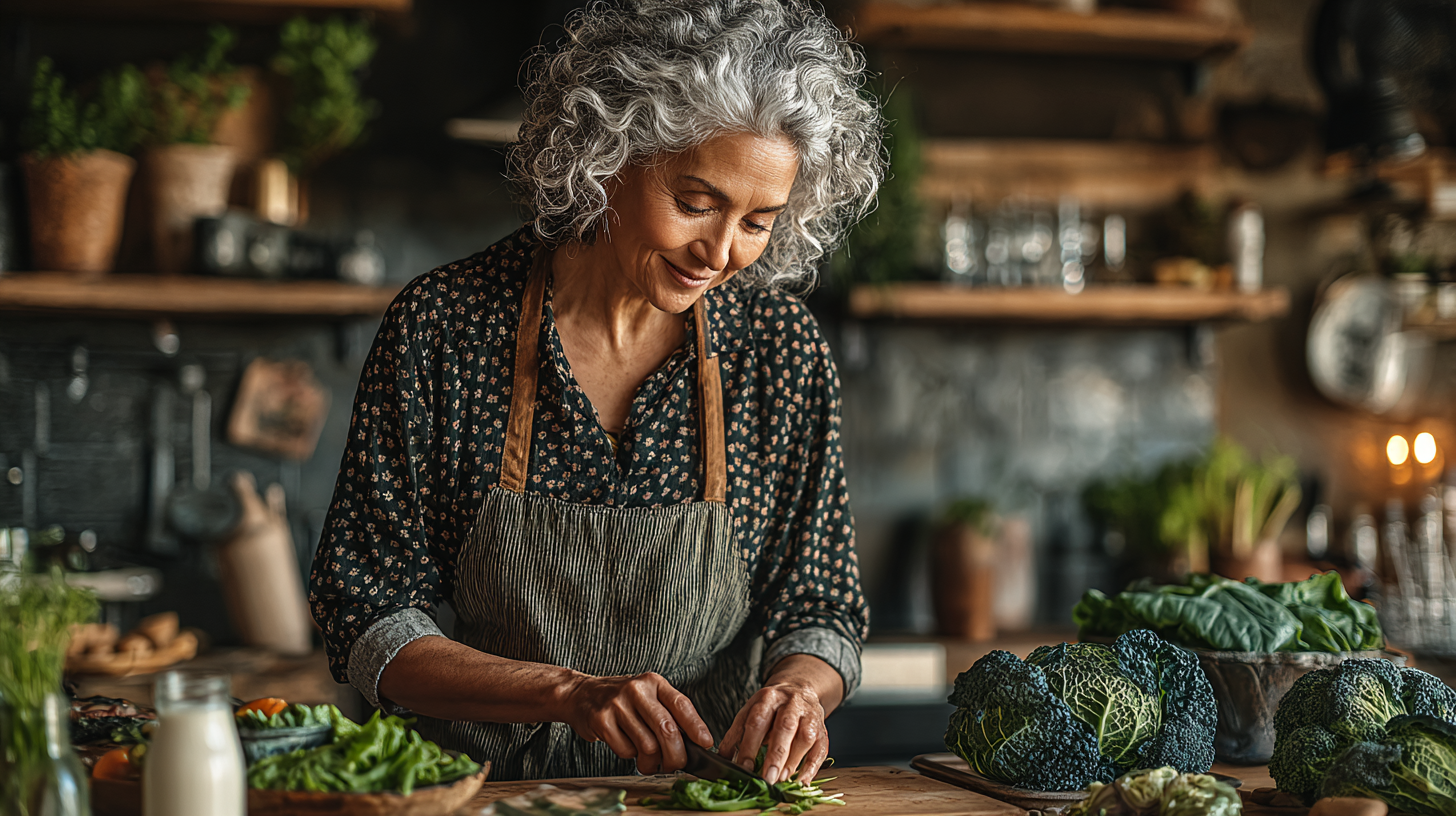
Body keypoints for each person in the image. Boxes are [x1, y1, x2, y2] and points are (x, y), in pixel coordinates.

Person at [309, 0, 884, 783]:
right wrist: (567, 693)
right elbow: (367, 614)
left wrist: (798, 691)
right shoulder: (445, 327)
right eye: (696, 203)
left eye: (759, 221)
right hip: (487, 795)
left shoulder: (778, 351)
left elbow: (820, 606)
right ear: (608, 154)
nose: (720, 252)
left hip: (701, 792)